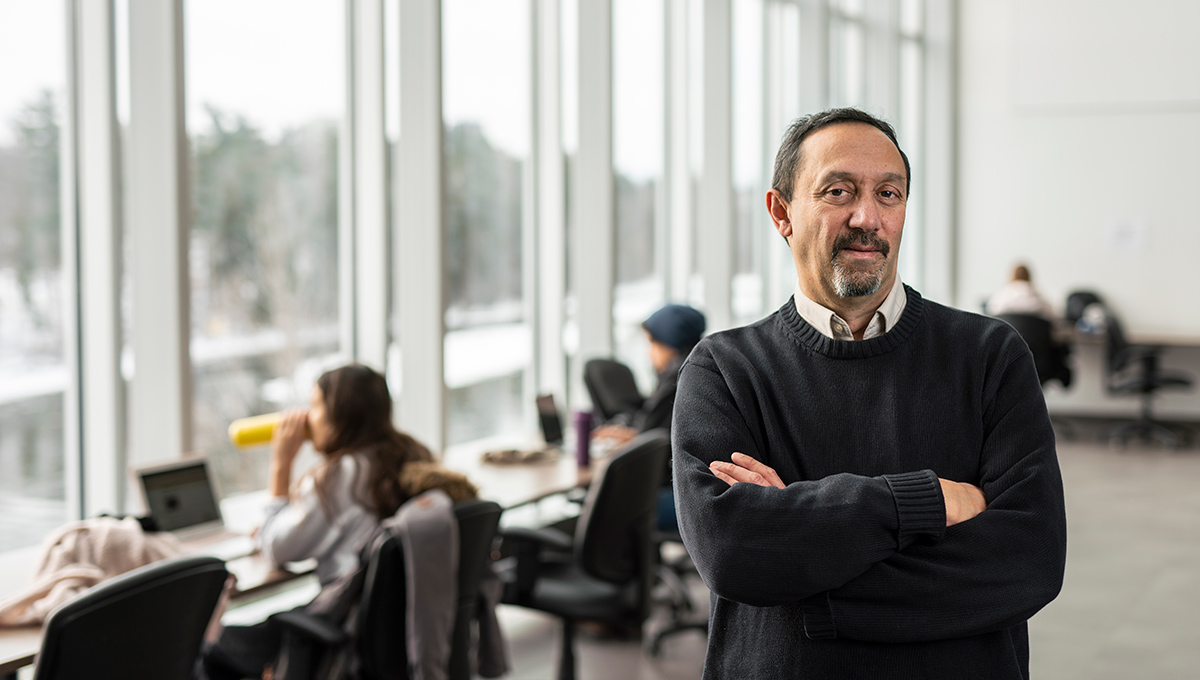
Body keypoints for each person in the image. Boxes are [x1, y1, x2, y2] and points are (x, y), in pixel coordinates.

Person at [672, 108, 1067, 679]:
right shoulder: (723, 369)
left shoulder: (989, 355)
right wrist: (926, 502)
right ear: (781, 213)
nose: (868, 217)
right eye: (838, 191)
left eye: (889, 193)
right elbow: (735, 552)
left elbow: (1026, 560)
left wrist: (809, 583)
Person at [201, 363, 437, 680]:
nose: (307, 417)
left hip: (344, 626)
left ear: (340, 414)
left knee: (211, 647)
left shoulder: (342, 473)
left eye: (315, 405)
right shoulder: (412, 453)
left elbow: (277, 551)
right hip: (396, 627)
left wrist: (280, 465)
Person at [591, 303, 706, 531]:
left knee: (607, 503)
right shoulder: (700, 367)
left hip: (685, 499)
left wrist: (624, 437)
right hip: (699, 491)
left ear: (669, 343)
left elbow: (653, 440)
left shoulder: (679, 380)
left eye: (652, 342)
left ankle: (623, 565)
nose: (648, 352)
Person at [986, 262, 1056, 319]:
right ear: (1029, 277)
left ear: (1012, 277)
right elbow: (1054, 318)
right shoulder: (1040, 300)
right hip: (1037, 335)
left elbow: (991, 313)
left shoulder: (1001, 298)